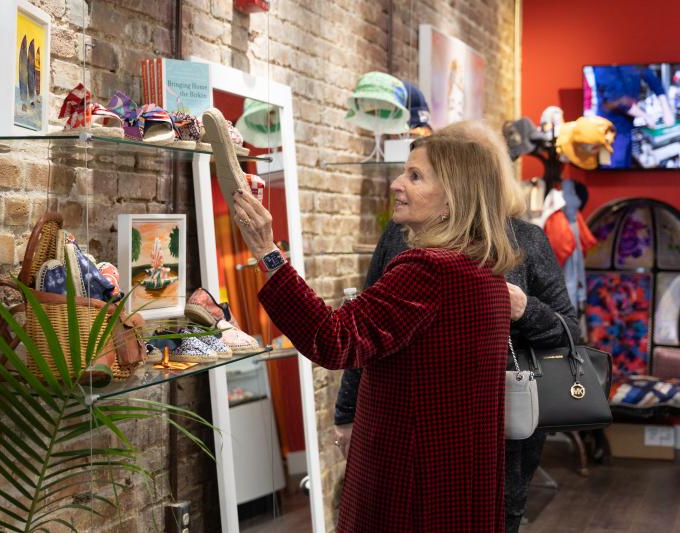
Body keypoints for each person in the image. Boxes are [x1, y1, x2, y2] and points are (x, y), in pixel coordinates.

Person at [230, 120, 520, 532]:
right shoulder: (483, 270)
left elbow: (332, 339)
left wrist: (266, 251)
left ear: (452, 200)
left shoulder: (427, 270)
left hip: (409, 487)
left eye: (415, 176)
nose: (396, 184)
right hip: (458, 482)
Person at [334, 122, 581, 532]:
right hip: (413, 423)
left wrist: (524, 309)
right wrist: (347, 413)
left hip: (503, 422)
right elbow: (366, 326)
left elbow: (569, 330)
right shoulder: (402, 235)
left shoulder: (525, 240)